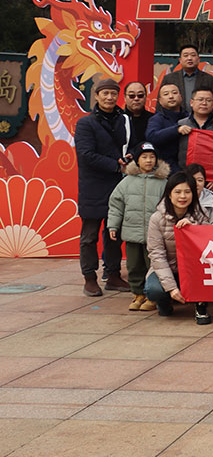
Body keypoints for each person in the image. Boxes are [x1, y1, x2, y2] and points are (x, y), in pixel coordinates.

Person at [76, 78, 133, 296]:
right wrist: (116, 165)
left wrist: (130, 157)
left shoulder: (124, 120)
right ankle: (89, 278)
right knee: (89, 236)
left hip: (118, 187)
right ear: (97, 96)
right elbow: (86, 154)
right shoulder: (85, 123)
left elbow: (133, 144)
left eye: (113, 93)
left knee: (114, 234)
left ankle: (113, 275)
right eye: (105, 93)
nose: (109, 98)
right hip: (93, 187)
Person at [108, 142, 170, 312]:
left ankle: (152, 296)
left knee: (154, 265)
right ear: (136, 160)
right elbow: (116, 205)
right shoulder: (127, 182)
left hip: (155, 235)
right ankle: (138, 294)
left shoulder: (163, 182)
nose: (148, 161)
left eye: (152, 157)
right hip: (132, 232)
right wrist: (113, 225)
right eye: (144, 157)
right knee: (134, 266)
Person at [145, 172, 209, 323]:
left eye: (187, 192)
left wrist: (194, 230)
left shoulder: (202, 215)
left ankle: (201, 306)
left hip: (193, 270)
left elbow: (209, 247)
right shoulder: (157, 218)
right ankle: (164, 302)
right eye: (178, 192)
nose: (183, 196)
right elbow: (157, 255)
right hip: (168, 268)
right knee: (154, 290)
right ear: (169, 194)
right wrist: (171, 288)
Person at [162, 45, 213, 113]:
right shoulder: (169, 78)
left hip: (201, 120)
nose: (189, 58)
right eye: (186, 55)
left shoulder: (209, 79)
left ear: (198, 59)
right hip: (175, 120)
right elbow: (161, 102)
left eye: (193, 55)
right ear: (180, 60)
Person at [176, 88, 213, 171]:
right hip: (185, 175)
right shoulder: (180, 124)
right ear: (191, 103)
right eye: (200, 99)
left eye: (208, 100)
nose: (204, 103)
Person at [145, 83, 186, 172]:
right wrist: (176, 130)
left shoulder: (189, 118)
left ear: (181, 97)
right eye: (166, 94)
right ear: (160, 101)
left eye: (174, 93)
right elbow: (152, 136)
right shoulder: (156, 119)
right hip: (167, 169)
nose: (171, 96)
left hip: (189, 166)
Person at [123, 82, 151, 146]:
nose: (136, 99)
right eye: (131, 96)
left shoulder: (154, 119)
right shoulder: (118, 119)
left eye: (140, 95)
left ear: (146, 96)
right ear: (124, 97)